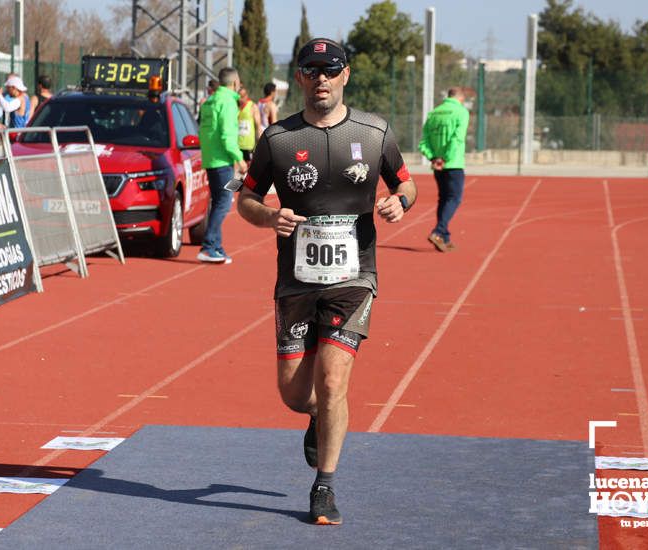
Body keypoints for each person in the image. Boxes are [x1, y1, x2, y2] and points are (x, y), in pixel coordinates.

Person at [236, 38, 417, 525]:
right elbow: (246, 200)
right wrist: (268, 216)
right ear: (299, 78)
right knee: (296, 393)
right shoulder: (277, 138)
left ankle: (325, 486)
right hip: (295, 279)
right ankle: (317, 415)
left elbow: (407, 181)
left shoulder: (374, 132)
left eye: (329, 70)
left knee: (334, 380)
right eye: (311, 70)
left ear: (345, 75)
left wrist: (401, 201)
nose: (321, 79)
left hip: (354, 275)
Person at [197, 67, 247, 264]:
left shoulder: (210, 100)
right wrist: (240, 159)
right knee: (224, 202)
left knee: (219, 201)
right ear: (235, 82)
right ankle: (208, 247)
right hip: (222, 160)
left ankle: (217, 246)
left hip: (211, 159)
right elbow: (227, 135)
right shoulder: (227, 101)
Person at [419, 87, 469, 252]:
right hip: (452, 163)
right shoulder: (461, 112)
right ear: (460, 98)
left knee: (443, 199)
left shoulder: (434, 113)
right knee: (454, 198)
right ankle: (438, 231)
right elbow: (457, 138)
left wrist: (433, 157)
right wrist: (445, 158)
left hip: (437, 165)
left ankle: (445, 238)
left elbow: (424, 141)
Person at [237, 86, 262, 168]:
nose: (241, 99)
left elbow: (258, 126)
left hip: (248, 145)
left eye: (243, 96)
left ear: (246, 95)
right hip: (236, 144)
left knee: (249, 168)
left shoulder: (252, 106)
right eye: (239, 96)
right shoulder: (235, 106)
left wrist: (260, 142)